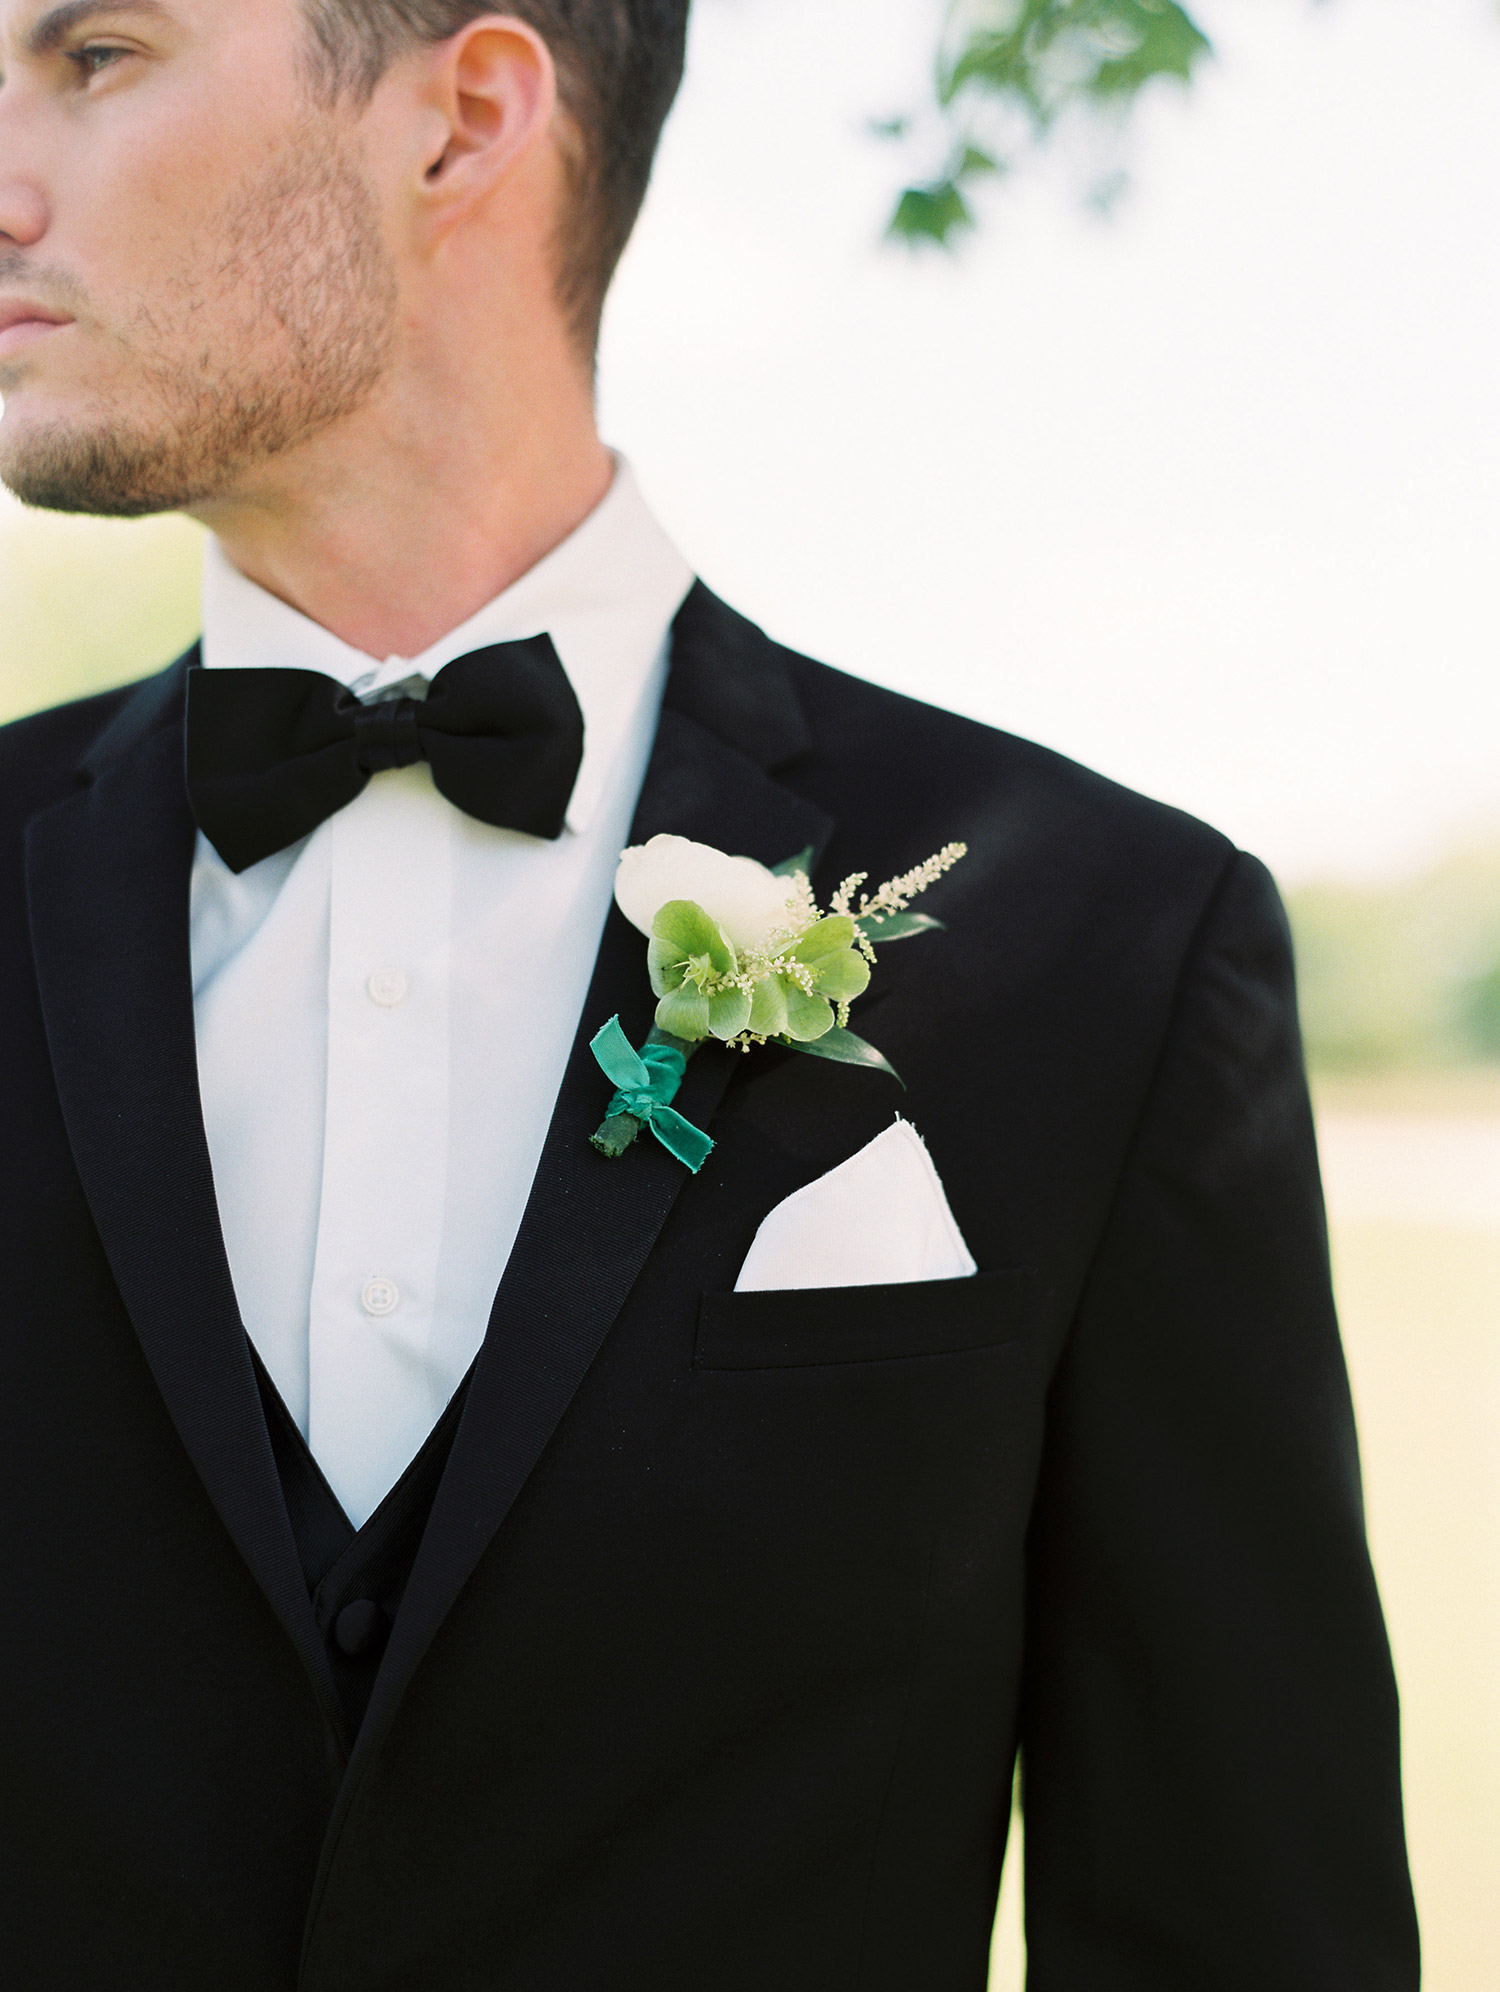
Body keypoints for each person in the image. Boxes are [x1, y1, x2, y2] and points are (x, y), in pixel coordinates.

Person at [0, 2, 1420, 1985]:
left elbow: (1245, 1921)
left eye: (93, 57)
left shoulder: (1109, 940)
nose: (8, 171)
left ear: (463, 120)